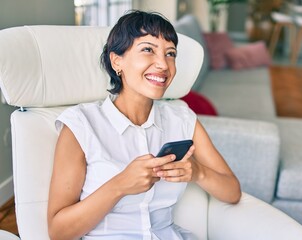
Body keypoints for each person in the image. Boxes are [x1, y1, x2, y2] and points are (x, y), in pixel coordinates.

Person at [47, 10, 241, 240]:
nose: (163, 64)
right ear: (116, 60)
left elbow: (232, 192)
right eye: (148, 49)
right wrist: (120, 185)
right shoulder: (81, 125)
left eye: (171, 54)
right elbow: (58, 232)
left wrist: (197, 172)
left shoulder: (182, 119)